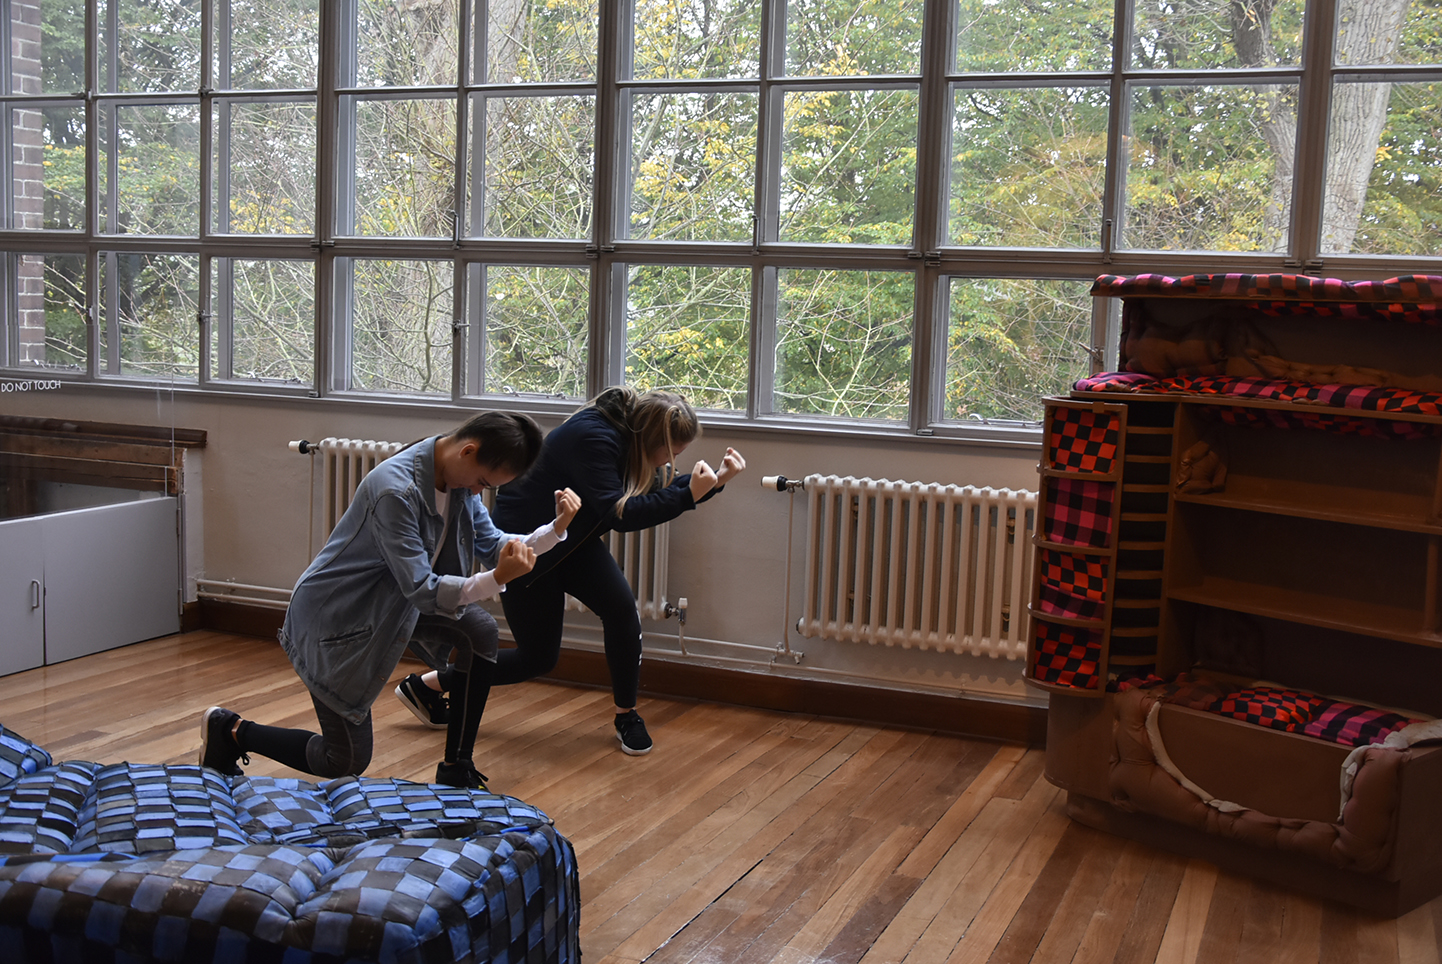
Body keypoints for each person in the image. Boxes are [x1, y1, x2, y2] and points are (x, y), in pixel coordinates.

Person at [198, 411, 581, 790]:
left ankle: (457, 767)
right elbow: (424, 590)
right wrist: (497, 579)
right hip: (341, 618)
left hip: (396, 604)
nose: (479, 492)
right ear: (468, 451)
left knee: (479, 630)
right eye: (482, 482)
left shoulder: (457, 480)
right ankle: (230, 730)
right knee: (344, 760)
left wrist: (555, 530)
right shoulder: (395, 490)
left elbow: (494, 545)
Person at [437, 386, 744, 755]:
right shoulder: (594, 438)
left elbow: (648, 491)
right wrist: (690, 494)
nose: (670, 463)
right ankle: (431, 684)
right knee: (537, 658)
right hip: (528, 547)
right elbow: (621, 514)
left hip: (574, 540)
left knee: (621, 611)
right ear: (651, 439)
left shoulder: (627, 438)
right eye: (671, 454)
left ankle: (626, 715)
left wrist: (712, 484)